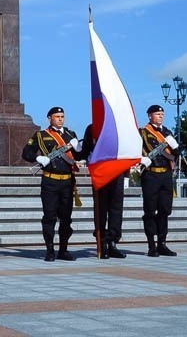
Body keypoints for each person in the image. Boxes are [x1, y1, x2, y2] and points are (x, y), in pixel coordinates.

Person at [21, 106, 81, 261]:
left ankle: (63, 250)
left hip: (67, 182)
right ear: (49, 118)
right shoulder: (41, 135)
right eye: (57, 116)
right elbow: (26, 152)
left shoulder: (70, 134)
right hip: (50, 181)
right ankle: (49, 250)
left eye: (62, 116)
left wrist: (79, 148)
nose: (60, 119)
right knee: (49, 217)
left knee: (66, 218)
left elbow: (81, 155)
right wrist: (38, 158)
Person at [78, 122, 126, 259]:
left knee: (116, 208)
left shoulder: (119, 126)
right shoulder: (92, 128)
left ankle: (113, 242)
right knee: (101, 208)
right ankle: (102, 243)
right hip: (100, 172)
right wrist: (79, 151)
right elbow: (85, 151)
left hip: (117, 171)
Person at [138, 103, 179, 257]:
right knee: (150, 211)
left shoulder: (167, 132)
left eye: (162, 114)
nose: (160, 116)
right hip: (151, 175)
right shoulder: (143, 132)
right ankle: (151, 245)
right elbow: (135, 149)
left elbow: (177, 153)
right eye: (157, 114)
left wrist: (175, 146)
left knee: (164, 210)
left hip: (166, 175)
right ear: (150, 116)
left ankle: (162, 243)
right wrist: (142, 159)